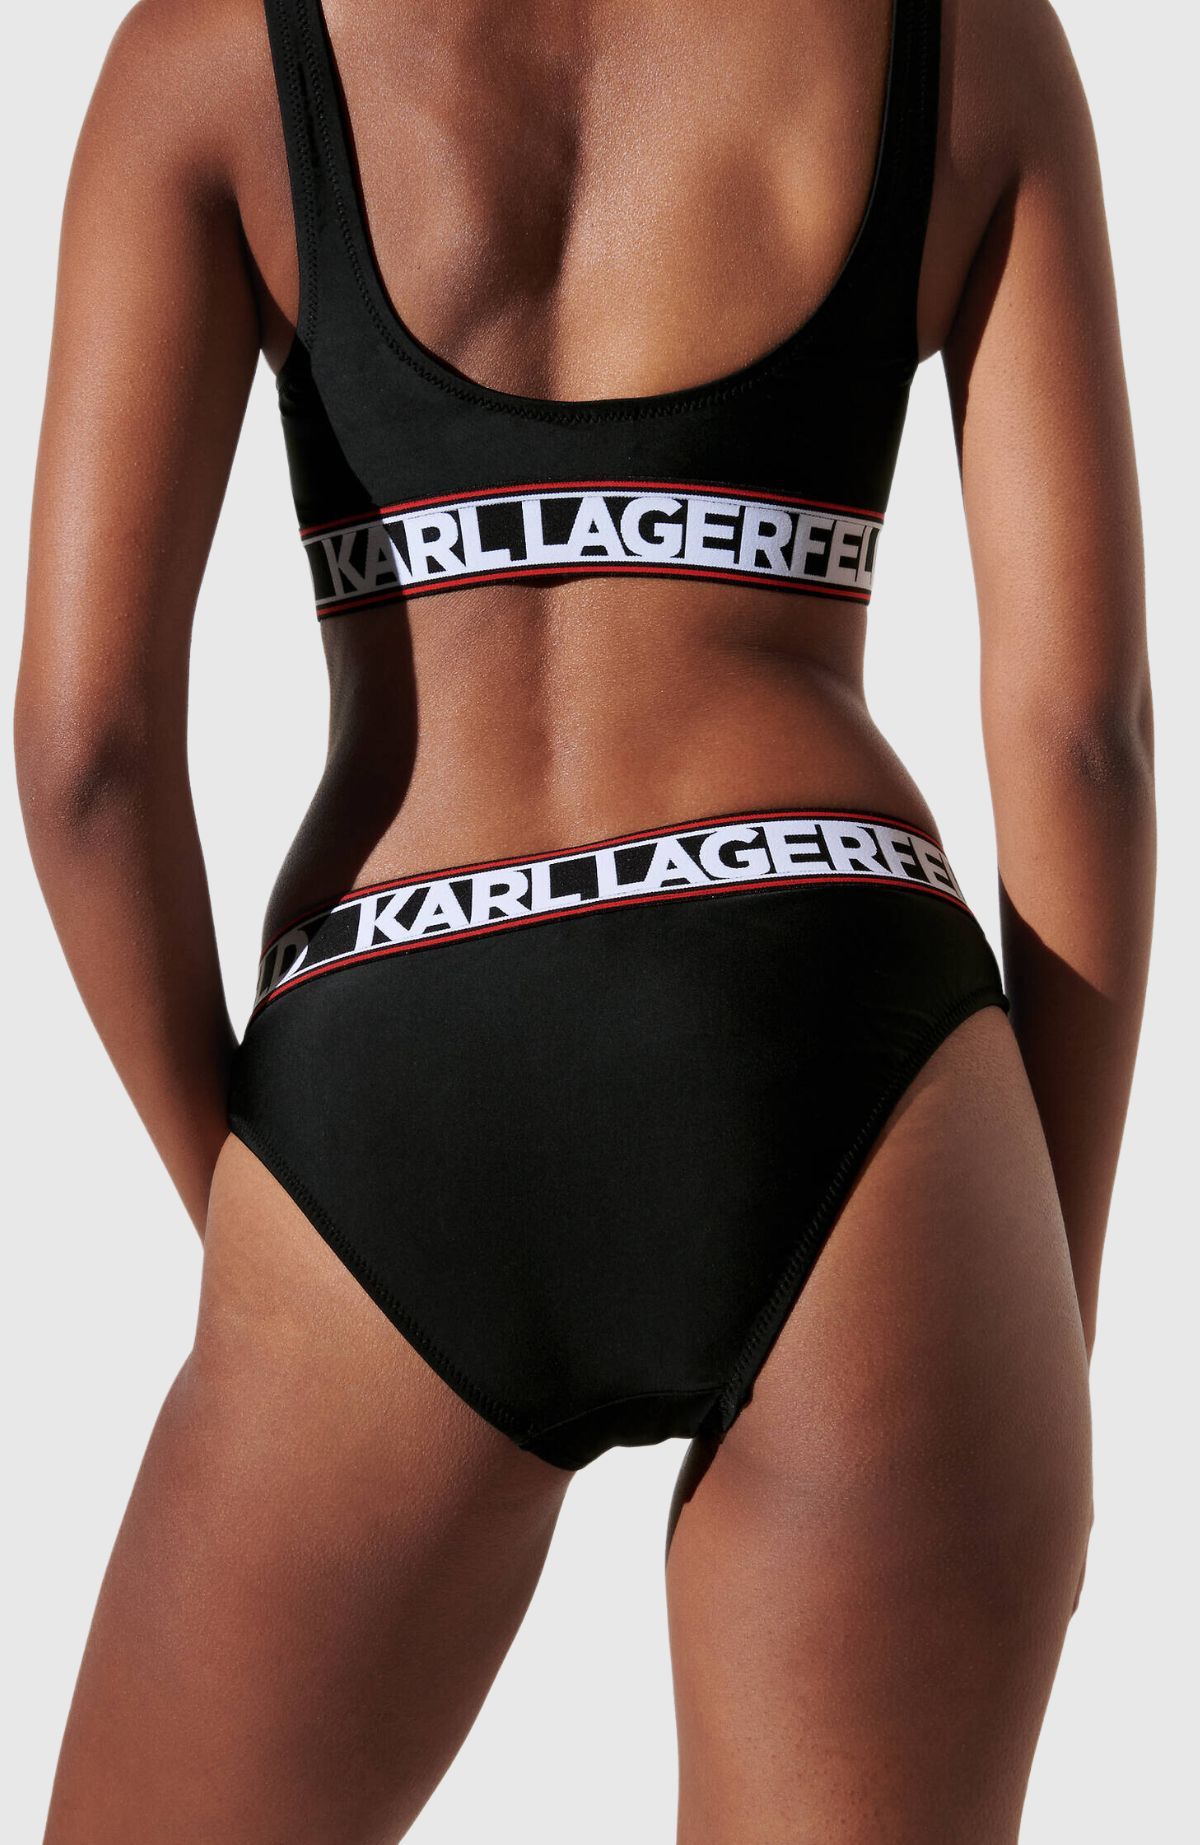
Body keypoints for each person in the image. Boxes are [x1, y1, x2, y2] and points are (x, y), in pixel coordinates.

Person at [16, 0, 1153, 1837]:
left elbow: (85, 754)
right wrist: (1045, 1304)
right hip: (845, 1012)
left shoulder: (213, 48)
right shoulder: (967, 38)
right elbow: (1084, 736)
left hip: (399, 1028)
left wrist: (261, 1203)